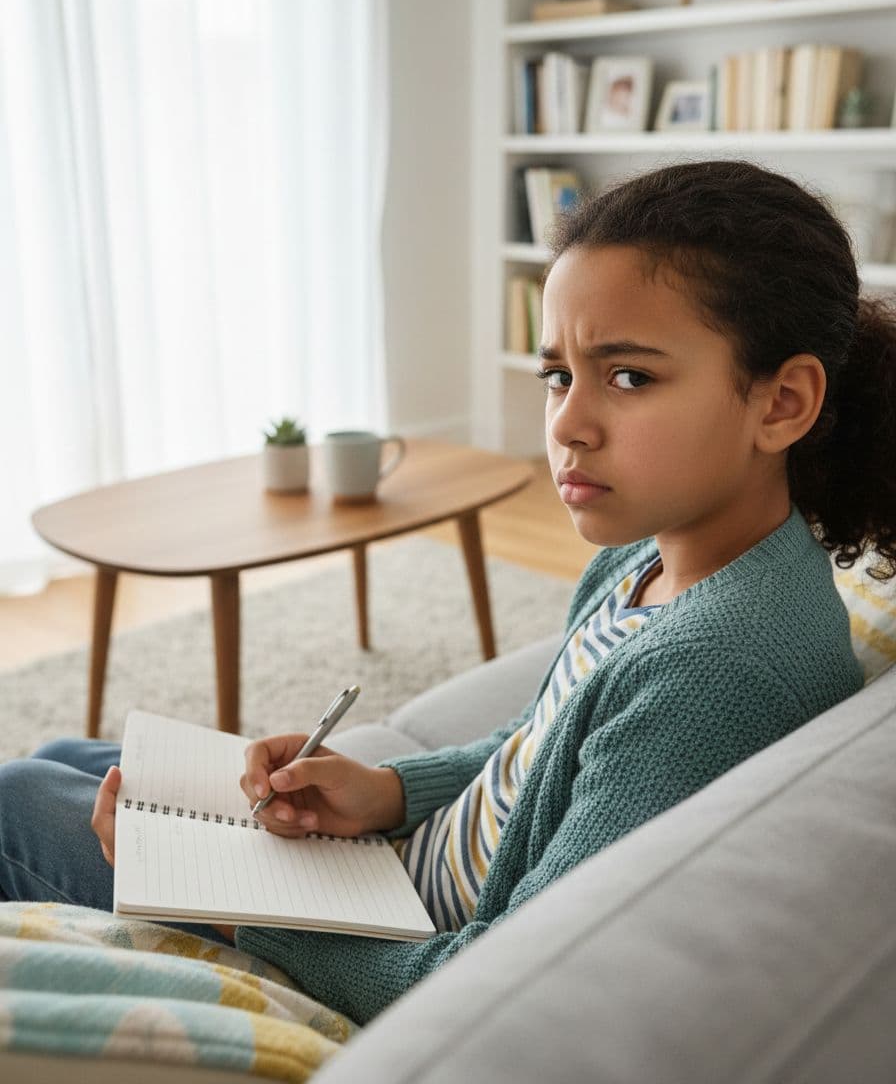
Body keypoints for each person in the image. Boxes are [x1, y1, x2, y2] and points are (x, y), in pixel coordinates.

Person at [2, 160, 895, 1029]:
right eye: (559, 375)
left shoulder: (715, 668)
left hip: (391, 949)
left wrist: (239, 914)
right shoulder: (646, 566)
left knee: (18, 801)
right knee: (79, 758)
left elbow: (512, 977)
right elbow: (536, 745)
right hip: (390, 871)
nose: (568, 425)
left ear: (782, 403)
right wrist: (385, 790)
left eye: (629, 377)